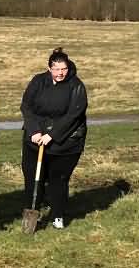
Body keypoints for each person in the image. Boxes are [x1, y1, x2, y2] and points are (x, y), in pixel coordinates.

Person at [20, 47, 88, 230]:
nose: (60, 73)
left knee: (58, 179)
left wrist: (52, 134)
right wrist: (34, 131)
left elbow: (74, 115)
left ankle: (58, 214)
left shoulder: (76, 86)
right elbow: (27, 106)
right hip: (36, 140)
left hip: (66, 143)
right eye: (56, 69)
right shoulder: (38, 81)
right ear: (49, 68)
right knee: (33, 177)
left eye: (63, 69)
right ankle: (32, 211)